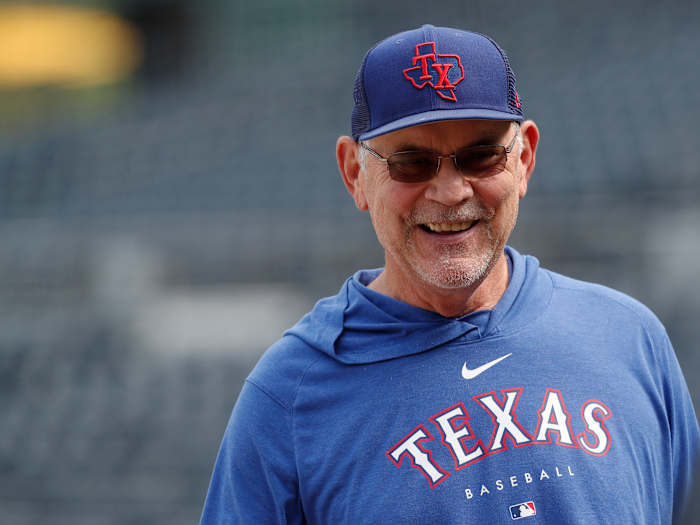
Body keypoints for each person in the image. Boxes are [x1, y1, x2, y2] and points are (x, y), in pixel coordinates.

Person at [200, 25, 700, 524]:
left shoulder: (629, 335)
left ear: (524, 158)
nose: (450, 191)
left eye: (481, 155)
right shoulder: (289, 394)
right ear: (355, 174)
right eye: (412, 162)